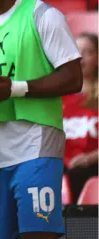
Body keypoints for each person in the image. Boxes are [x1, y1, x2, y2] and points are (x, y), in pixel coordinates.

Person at [0, 0, 83, 239]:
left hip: (36, 142)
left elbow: (74, 78)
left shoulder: (43, 15)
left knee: (38, 234)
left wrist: (15, 89)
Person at [63, 33, 98, 203]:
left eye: (88, 52)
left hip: (93, 163)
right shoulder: (59, 97)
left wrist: (89, 158)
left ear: (97, 59)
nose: (81, 56)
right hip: (64, 164)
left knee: (77, 173)